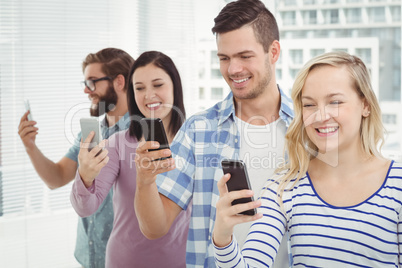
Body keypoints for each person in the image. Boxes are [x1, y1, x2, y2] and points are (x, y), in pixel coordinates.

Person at [134, 0, 294, 266]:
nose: (233, 69)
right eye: (224, 58)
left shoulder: (309, 128)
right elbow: (155, 227)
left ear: (273, 51)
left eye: (245, 56)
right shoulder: (199, 131)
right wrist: (144, 181)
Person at [213, 51, 402, 267]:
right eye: (309, 105)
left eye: (335, 102)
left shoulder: (397, 184)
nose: (320, 116)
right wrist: (223, 237)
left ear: (365, 105)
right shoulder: (284, 186)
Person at [70, 51, 191, 267]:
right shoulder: (118, 143)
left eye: (158, 85)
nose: (148, 95)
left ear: (175, 86)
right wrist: (85, 177)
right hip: (126, 261)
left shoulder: (195, 142)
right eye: (140, 88)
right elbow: (86, 208)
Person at [18, 48, 134, 268]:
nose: (86, 91)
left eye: (92, 82)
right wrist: (30, 147)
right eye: (84, 83)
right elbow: (57, 178)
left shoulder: (142, 136)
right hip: (90, 256)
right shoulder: (89, 135)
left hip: (123, 259)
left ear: (119, 81)